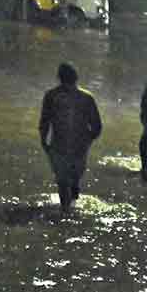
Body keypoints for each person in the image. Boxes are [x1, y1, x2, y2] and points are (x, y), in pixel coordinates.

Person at [39, 62, 102, 215]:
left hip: (58, 144)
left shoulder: (51, 96)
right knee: (71, 177)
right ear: (76, 78)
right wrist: (88, 141)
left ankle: (65, 211)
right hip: (79, 146)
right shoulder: (87, 97)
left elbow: (44, 121)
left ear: (59, 78)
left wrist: (44, 142)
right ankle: (68, 210)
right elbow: (97, 125)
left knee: (63, 180)